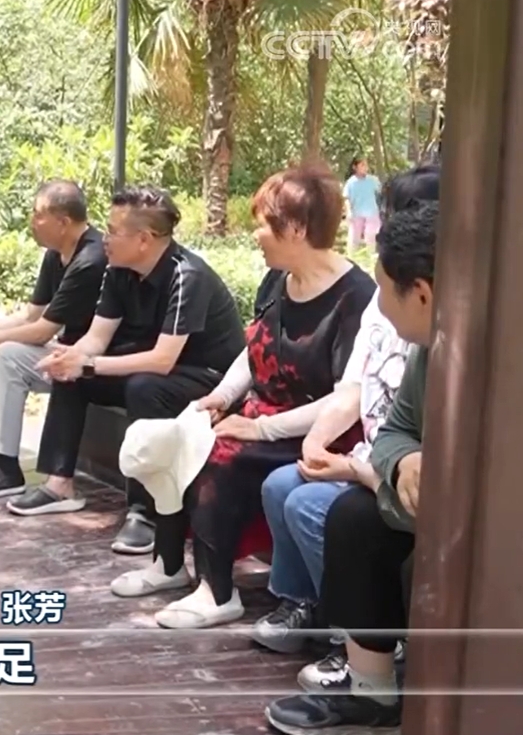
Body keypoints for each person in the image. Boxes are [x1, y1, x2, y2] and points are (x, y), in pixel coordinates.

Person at [108, 166, 375, 629]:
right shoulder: (279, 280)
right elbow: (255, 349)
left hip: (319, 432)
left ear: (296, 229)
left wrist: (260, 428)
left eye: (263, 224)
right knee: (174, 438)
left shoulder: (355, 297)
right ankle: (168, 564)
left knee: (217, 452)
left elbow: (345, 399)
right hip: (262, 415)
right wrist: (221, 396)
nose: (255, 235)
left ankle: (216, 590)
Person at [265, 198, 439, 735]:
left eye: (385, 290)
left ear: (422, 293)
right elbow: (395, 430)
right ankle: (371, 690)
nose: (379, 305)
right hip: (417, 496)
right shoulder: (427, 350)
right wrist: (404, 458)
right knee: (355, 517)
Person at [18, 187, 246, 553]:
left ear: (144, 239)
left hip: (208, 379)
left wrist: (89, 363)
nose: (104, 239)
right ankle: (59, 484)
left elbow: (163, 360)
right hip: (154, 367)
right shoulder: (119, 271)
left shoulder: (187, 275)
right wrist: (72, 359)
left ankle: (146, 513)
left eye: (112, 231)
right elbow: (97, 338)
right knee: (74, 374)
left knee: (143, 386)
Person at [0, 180, 107, 495]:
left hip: (92, 360)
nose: (32, 221)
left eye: (38, 214)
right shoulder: (56, 254)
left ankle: (7, 470)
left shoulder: (91, 260)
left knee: (6, 354)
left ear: (63, 222)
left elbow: (43, 330)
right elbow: (31, 314)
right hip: (66, 349)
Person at [343, 157, 381, 251]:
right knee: (354, 239)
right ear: (354, 167)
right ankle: (351, 255)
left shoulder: (372, 180)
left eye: (366, 165)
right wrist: (348, 211)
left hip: (371, 213)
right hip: (356, 213)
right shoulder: (350, 183)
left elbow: (380, 192)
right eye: (362, 165)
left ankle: (371, 254)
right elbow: (346, 198)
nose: (365, 168)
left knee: (371, 236)